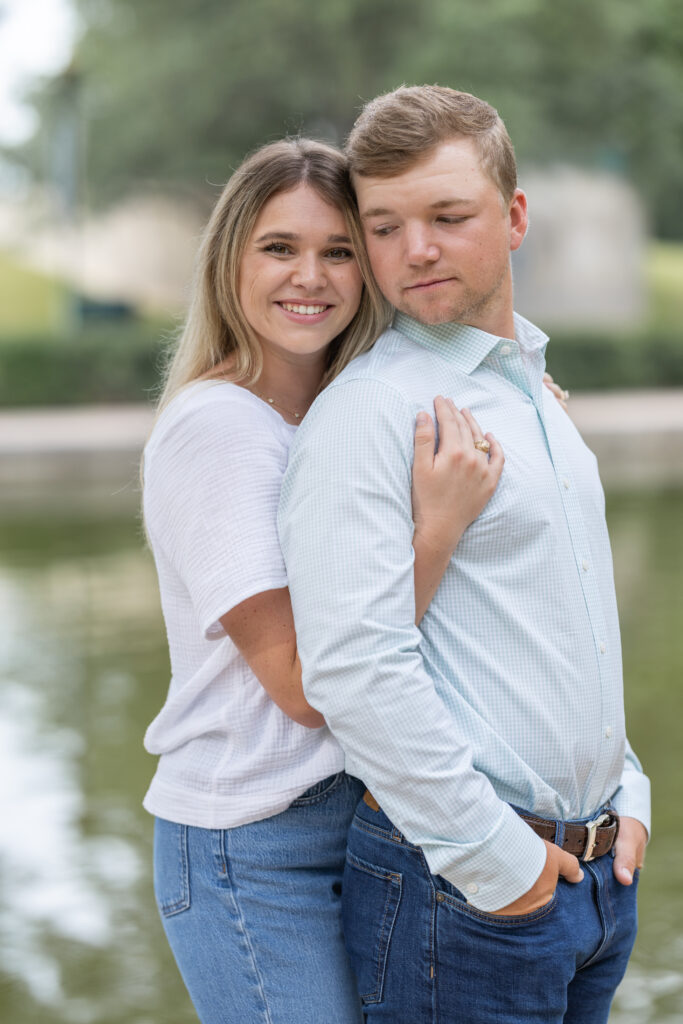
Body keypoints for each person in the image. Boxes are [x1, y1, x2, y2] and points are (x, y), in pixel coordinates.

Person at [279, 87, 650, 1024]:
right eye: (386, 226)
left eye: (448, 217)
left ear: (514, 217)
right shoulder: (369, 414)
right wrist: (499, 864)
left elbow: (570, 620)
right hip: (463, 893)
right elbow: (355, 669)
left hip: (596, 875)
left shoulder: (534, 399)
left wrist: (627, 790)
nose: (417, 250)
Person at [141, 137, 515, 1024]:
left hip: (366, 821)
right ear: (229, 260)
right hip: (251, 842)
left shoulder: (341, 417)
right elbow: (309, 685)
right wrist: (438, 529)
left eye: (339, 251)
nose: (310, 276)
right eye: (279, 248)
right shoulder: (222, 429)